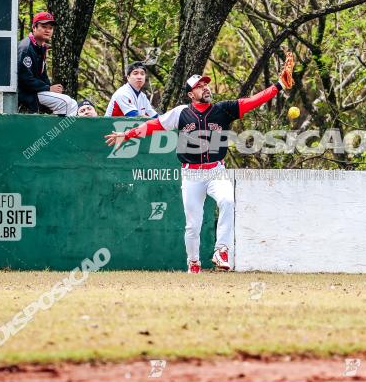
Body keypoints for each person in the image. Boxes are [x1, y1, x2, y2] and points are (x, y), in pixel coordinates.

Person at [105, 53, 295, 274]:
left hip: (216, 170)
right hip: (191, 175)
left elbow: (253, 101)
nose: (205, 87)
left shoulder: (223, 109)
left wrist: (279, 85)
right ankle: (193, 262)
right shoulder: (180, 113)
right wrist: (127, 135)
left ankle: (221, 250)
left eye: (205, 84)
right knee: (193, 226)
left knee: (227, 201)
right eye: (199, 85)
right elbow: (153, 126)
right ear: (190, 94)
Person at [17, 12, 79, 115]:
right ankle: (59, 131)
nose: (48, 30)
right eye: (44, 26)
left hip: (36, 91)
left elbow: (43, 76)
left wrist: (50, 89)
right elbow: (24, 78)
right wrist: (48, 88)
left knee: (73, 103)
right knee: (66, 101)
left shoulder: (41, 47)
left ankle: (58, 130)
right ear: (34, 27)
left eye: (50, 28)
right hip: (26, 94)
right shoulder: (26, 47)